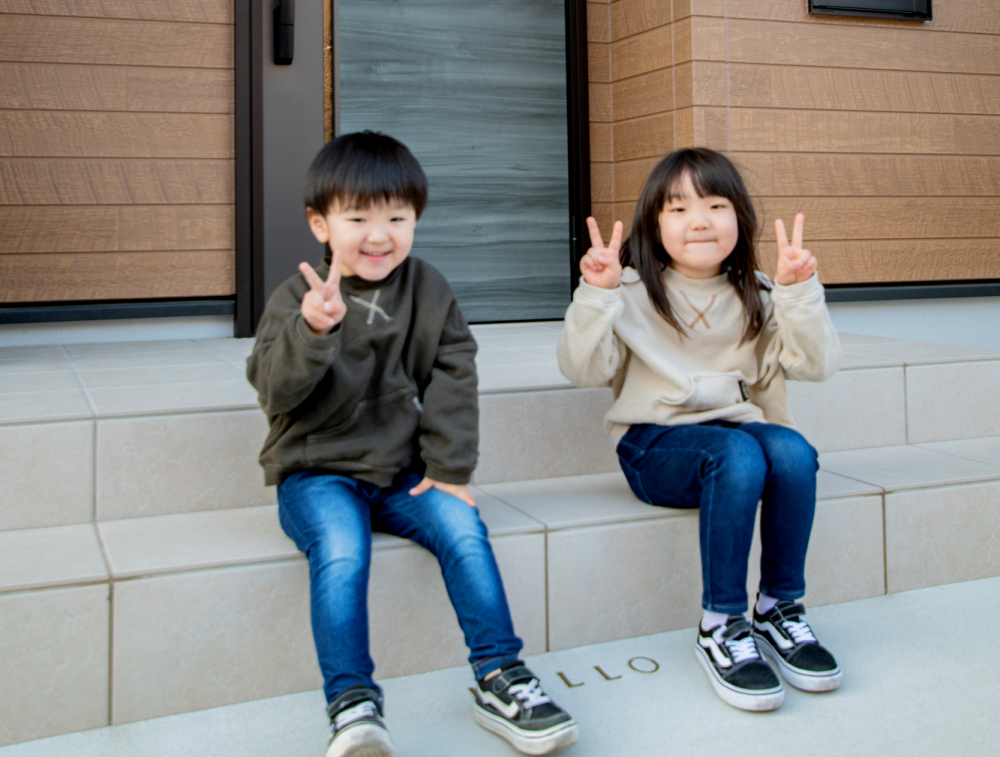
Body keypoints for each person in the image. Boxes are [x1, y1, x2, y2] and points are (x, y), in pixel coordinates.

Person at [247, 131, 578, 757]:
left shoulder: (428, 289)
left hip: (403, 474)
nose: (379, 236)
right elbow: (274, 391)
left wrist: (450, 469)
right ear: (320, 224)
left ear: (416, 219)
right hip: (316, 473)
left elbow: (454, 373)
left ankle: (500, 675)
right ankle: (352, 703)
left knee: (462, 526)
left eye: (397, 218)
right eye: (358, 219)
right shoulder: (297, 298)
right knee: (342, 550)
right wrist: (312, 332)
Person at [557, 147, 843, 712]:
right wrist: (597, 295)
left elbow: (817, 365)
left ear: (739, 216)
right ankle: (722, 624)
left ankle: (779, 609)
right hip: (653, 445)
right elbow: (581, 370)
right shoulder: (632, 292)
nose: (700, 221)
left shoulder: (758, 292)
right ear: (654, 223)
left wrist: (798, 291)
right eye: (679, 207)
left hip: (734, 438)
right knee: (736, 454)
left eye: (716, 205)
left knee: (792, 451)